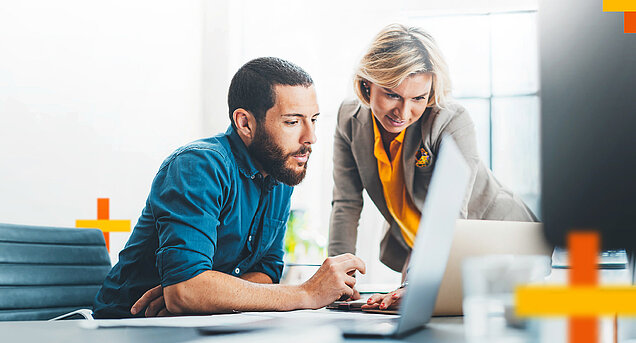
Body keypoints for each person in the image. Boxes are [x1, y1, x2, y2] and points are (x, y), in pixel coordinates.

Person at [92, 57, 365, 318]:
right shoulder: (198, 166)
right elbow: (185, 292)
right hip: (128, 325)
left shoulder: (279, 171)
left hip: (204, 323)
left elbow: (267, 271)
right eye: (292, 122)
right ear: (245, 122)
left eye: (313, 119)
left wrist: (206, 295)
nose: (311, 137)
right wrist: (305, 294)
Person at [328, 24, 536, 311]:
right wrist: (339, 280)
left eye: (418, 98)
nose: (403, 112)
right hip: (425, 249)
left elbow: (449, 219)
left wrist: (414, 284)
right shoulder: (348, 119)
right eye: (392, 95)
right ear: (367, 84)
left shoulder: (450, 121)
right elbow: (346, 204)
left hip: (499, 242)